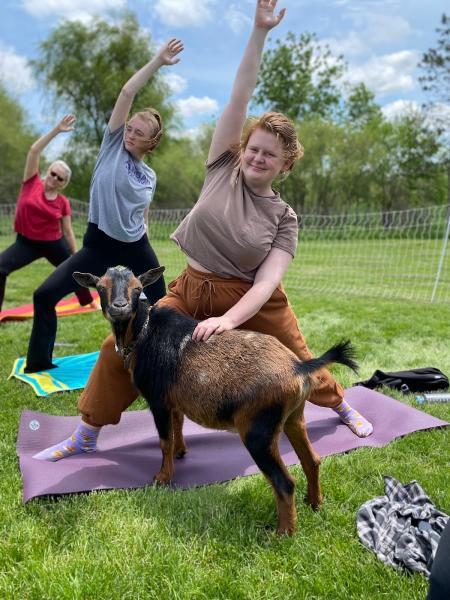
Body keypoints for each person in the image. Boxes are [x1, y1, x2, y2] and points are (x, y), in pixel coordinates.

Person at [34, 0, 372, 462]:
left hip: (250, 299)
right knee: (119, 347)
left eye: (269, 155)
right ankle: (87, 434)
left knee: (297, 363)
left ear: (285, 164)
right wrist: (258, 32)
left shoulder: (285, 218)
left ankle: (341, 405)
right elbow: (239, 96)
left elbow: (269, 281)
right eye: (253, 148)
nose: (256, 158)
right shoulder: (222, 165)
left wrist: (228, 322)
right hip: (192, 286)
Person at [24, 37, 184, 373]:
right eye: (130, 128)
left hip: (136, 247)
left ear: (152, 142)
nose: (131, 134)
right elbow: (127, 93)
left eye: (139, 133)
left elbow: (142, 210)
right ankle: (39, 363)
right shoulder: (112, 146)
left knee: (165, 304)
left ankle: (172, 361)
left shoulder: (149, 175)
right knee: (44, 295)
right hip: (99, 245)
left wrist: (145, 231)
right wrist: (157, 61)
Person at [0, 115, 96, 314]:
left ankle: (87, 301)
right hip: (26, 243)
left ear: (63, 183)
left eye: (59, 178)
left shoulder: (63, 202)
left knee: (74, 270)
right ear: (47, 171)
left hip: (53, 244)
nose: (54, 178)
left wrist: (76, 254)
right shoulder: (31, 182)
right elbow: (34, 150)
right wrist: (57, 130)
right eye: (53, 173)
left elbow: (68, 231)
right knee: (0, 268)